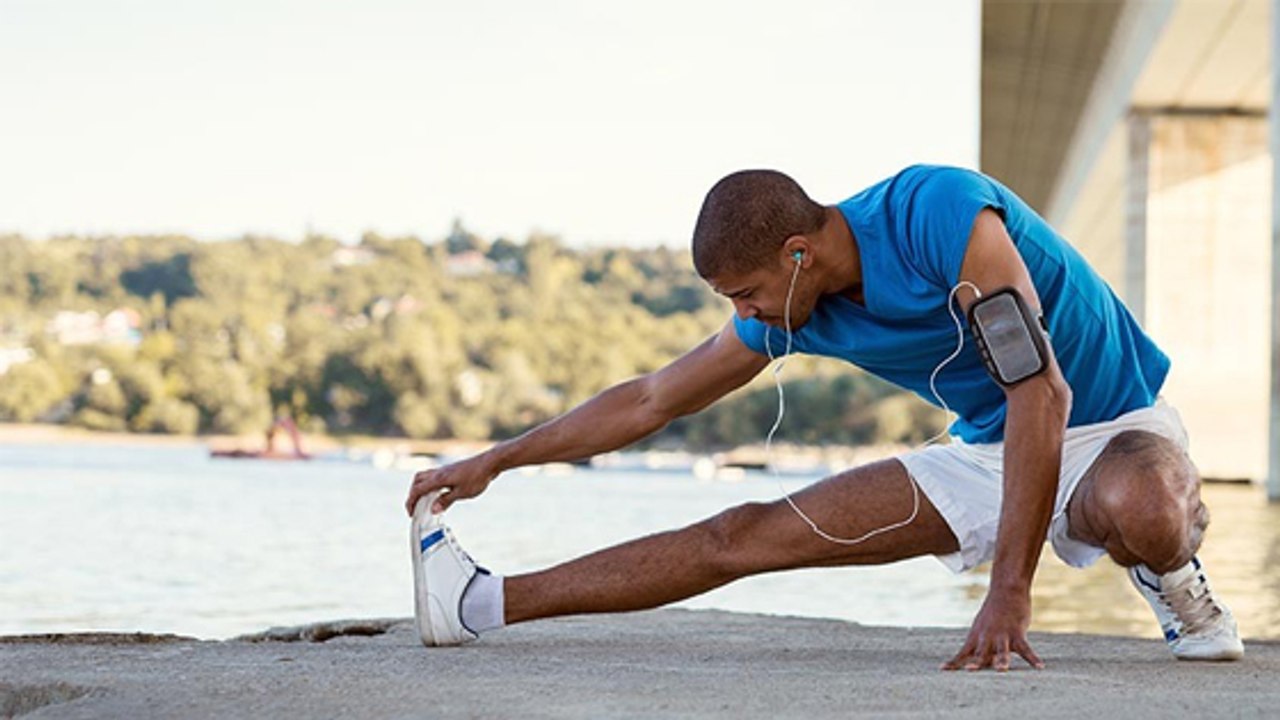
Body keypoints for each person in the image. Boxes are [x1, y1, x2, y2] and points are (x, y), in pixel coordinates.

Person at [404, 165, 1243, 670]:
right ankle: (479, 604)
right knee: (741, 534)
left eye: (747, 292)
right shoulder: (793, 310)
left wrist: (1009, 593)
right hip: (989, 450)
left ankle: (1172, 582)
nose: (748, 311)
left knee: (1147, 508)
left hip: (1110, 426)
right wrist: (497, 460)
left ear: (797, 254)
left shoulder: (938, 214)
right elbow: (654, 397)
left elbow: (1043, 393)